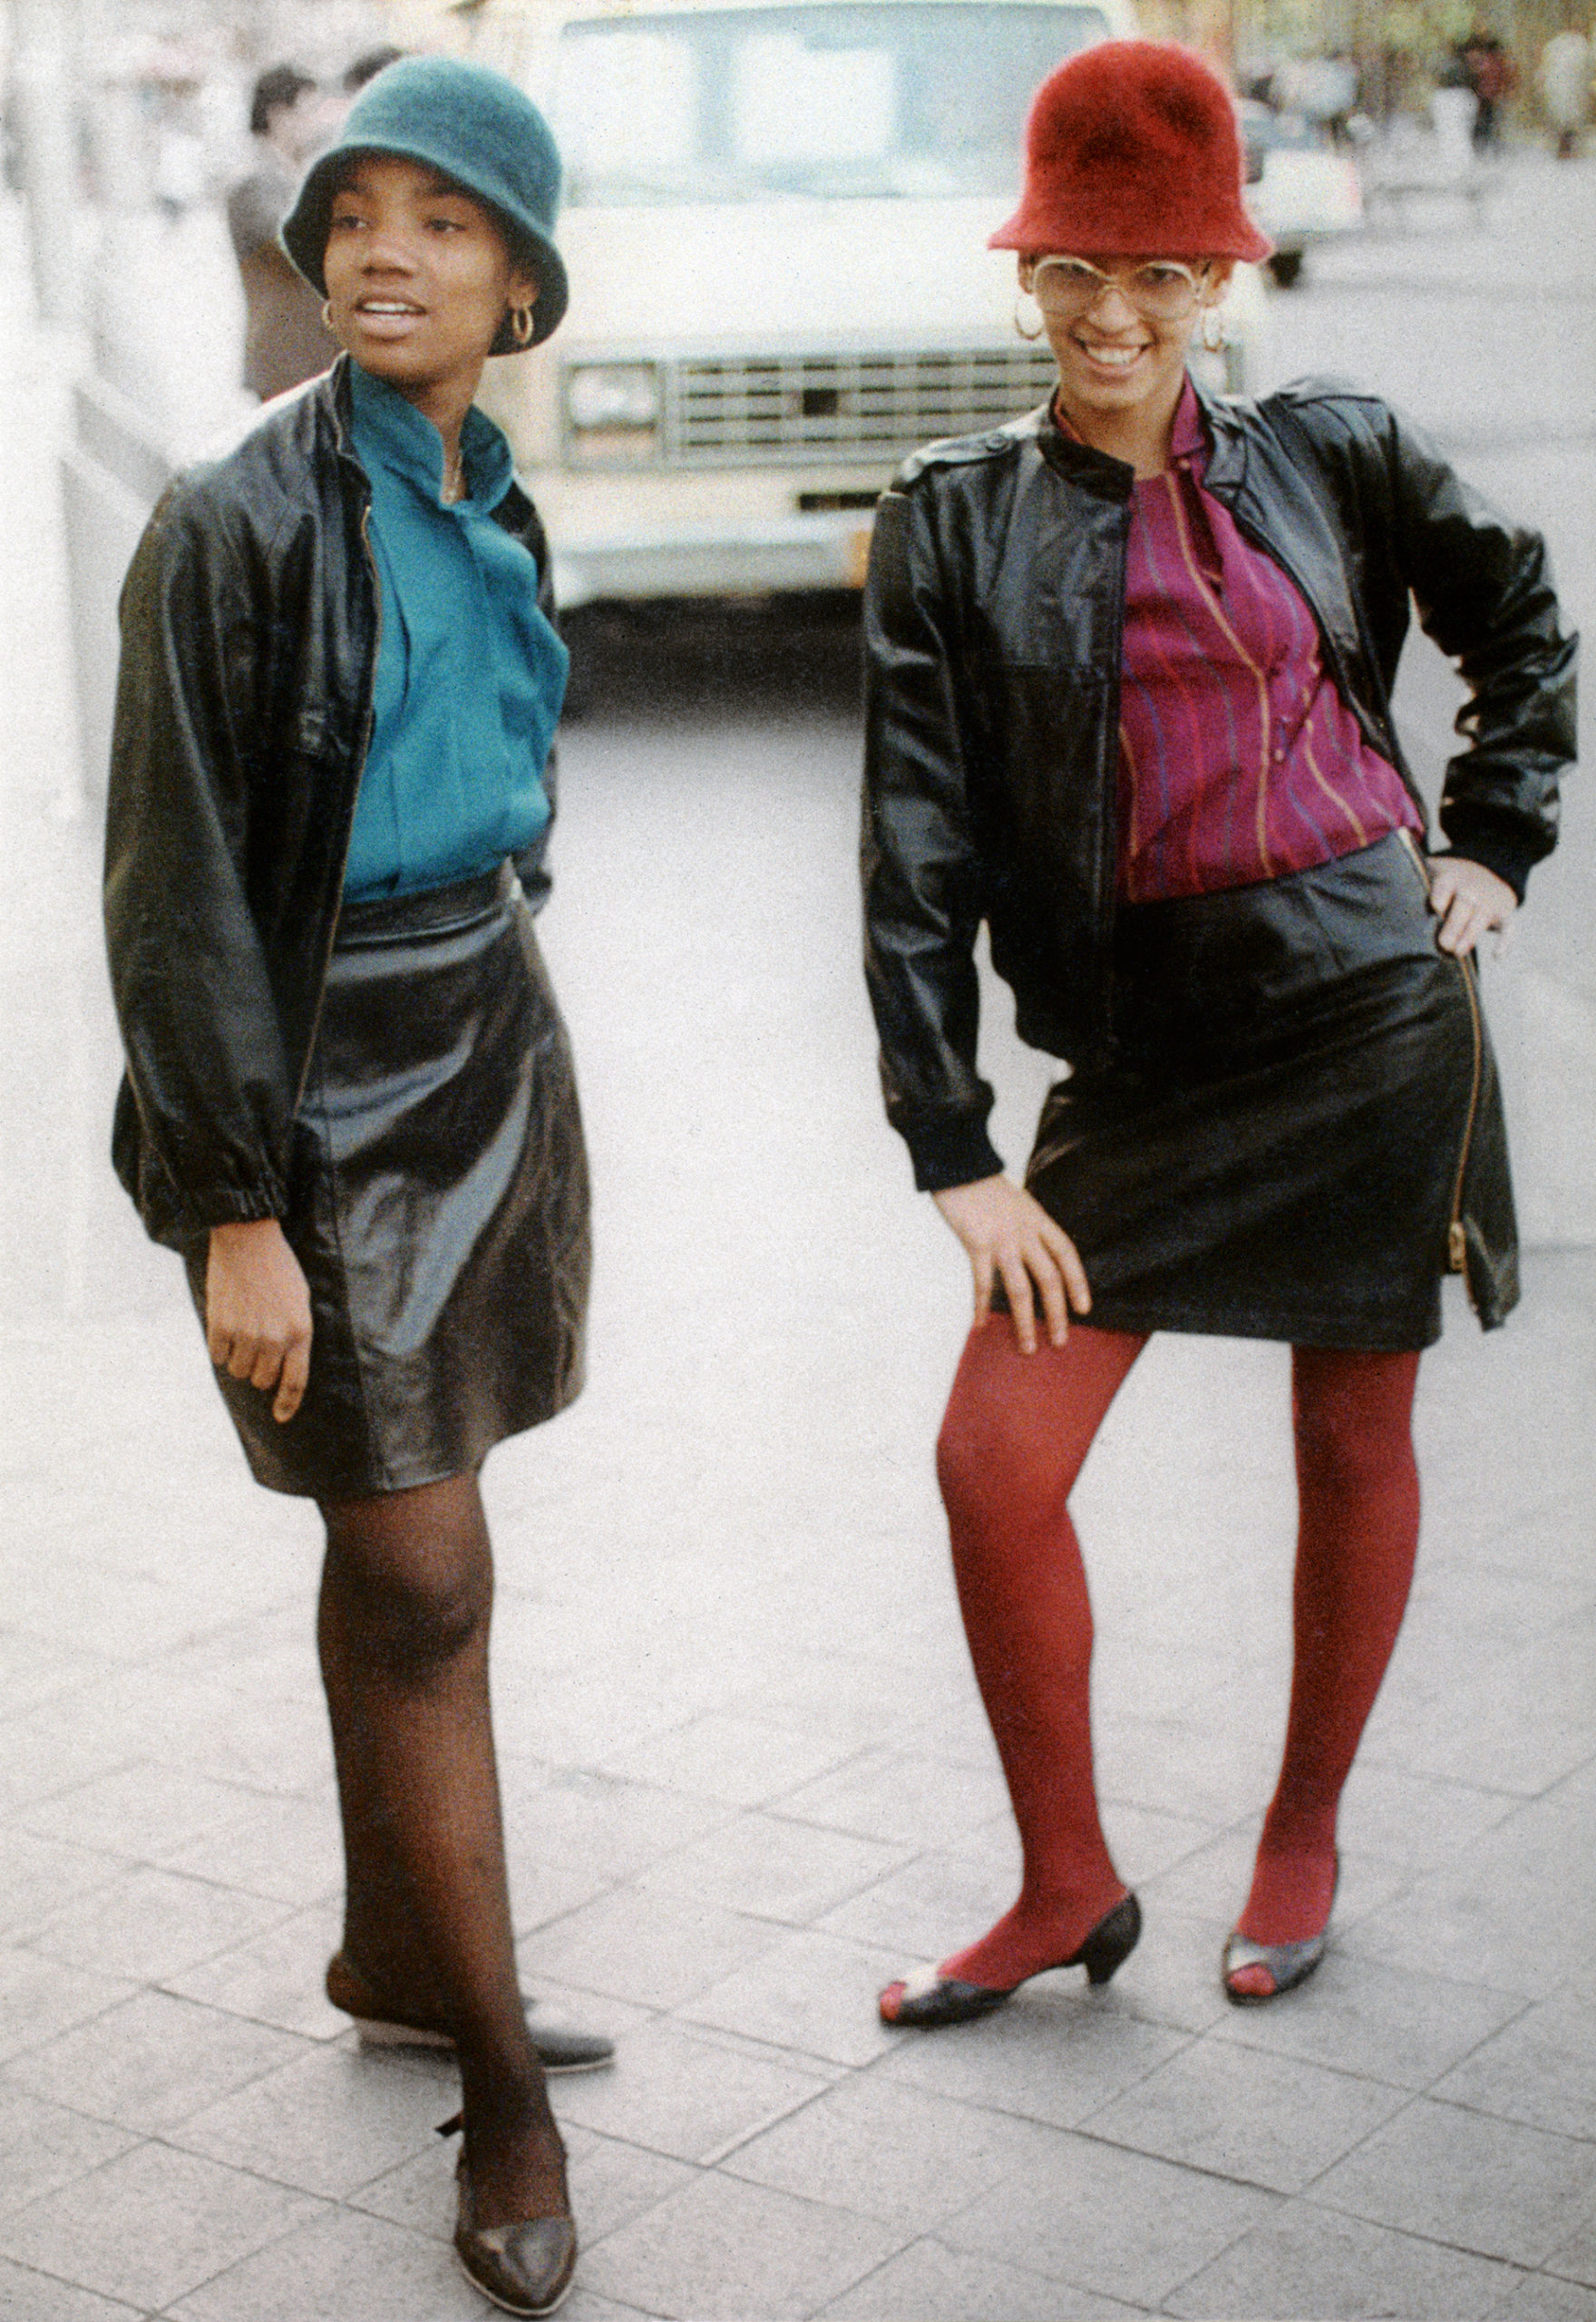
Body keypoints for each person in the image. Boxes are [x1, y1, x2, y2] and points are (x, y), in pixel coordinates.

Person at [861, 40, 1574, 2030]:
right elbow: (910, 849)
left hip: (1367, 1012)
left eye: (1158, 270)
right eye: (1074, 265)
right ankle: (1062, 1880)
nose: (1111, 312)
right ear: (1025, 270)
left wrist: (1499, 838)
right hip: (1143, 1065)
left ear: (1219, 277)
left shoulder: (1329, 449)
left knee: (1352, 1437)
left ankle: (1303, 1830)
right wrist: (954, 1147)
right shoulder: (951, 525)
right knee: (991, 1462)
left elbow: (1517, 617)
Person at [105, 55, 611, 2319]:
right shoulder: (231, 517)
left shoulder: (480, 483)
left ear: (519, 279)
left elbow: (499, 757)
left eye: (443, 218)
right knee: (423, 1561)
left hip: (481, 1036)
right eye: (353, 212)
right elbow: (177, 891)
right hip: (311, 1098)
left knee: (402, 1541)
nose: (383, 249)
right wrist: (234, 1201)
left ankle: (391, 1950)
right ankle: (499, 2083)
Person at [226, 63, 337, 399]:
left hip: (311, 357)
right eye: (307, 112)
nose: (316, 123)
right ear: (278, 115)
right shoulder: (254, 183)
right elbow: (299, 245)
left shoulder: (291, 175)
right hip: (287, 359)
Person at [1538, 24, 1592, 156]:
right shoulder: (1581, 44)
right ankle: (1568, 146)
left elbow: (1544, 66)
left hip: (1557, 88)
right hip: (1572, 89)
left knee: (1562, 118)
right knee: (1571, 119)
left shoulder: (1554, 45)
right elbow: (1588, 68)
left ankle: (1564, 145)